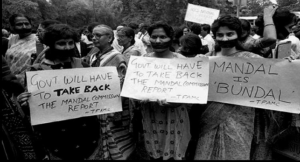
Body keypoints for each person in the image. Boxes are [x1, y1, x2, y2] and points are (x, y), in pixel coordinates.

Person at [16, 24, 106, 160]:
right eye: (62, 43)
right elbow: (35, 108)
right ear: (51, 44)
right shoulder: (37, 71)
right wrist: (25, 102)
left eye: (71, 43)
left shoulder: (83, 65)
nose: (68, 47)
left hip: (87, 131)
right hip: (56, 134)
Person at [194, 15, 262, 160]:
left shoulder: (252, 60)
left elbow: (275, 77)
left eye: (230, 34)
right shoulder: (207, 58)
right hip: (208, 119)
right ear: (215, 36)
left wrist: (287, 65)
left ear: (239, 34)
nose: (225, 39)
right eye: (220, 35)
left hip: (240, 122)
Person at [133, 22, 191, 160]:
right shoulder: (142, 61)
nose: (158, 41)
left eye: (162, 37)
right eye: (154, 37)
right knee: (155, 151)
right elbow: (134, 89)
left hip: (175, 114)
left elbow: (190, 93)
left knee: (175, 151)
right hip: (150, 112)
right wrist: (137, 98)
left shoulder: (182, 61)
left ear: (170, 38)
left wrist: (177, 102)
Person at [83, 24, 135, 160]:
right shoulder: (94, 56)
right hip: (97, 104)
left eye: (98, 36)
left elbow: (123, 84)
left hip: (113, 105)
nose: (94, 38)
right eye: (92, 35)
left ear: (110, 37)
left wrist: (116, 107)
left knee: (115, 136)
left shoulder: (117, 57)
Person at [5, 14, 38, 85]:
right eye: (19, 24)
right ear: (12, 26)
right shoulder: (12, 39)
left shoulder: (39, 40)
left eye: (26, 23)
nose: (24, 27)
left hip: (31, 80)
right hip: (13, 81)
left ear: (31, 25)